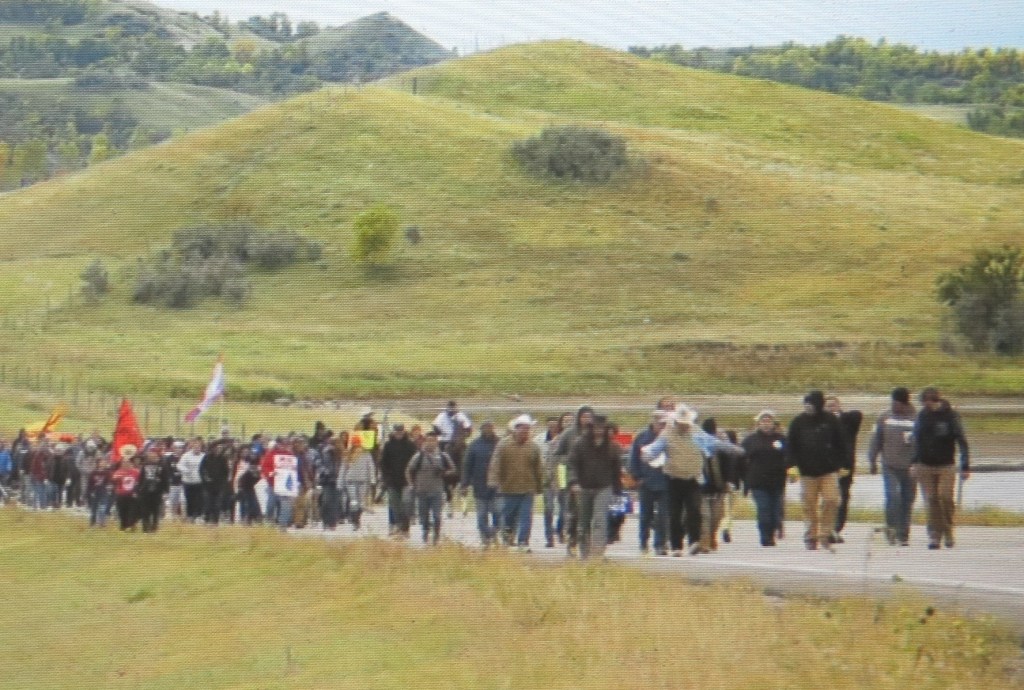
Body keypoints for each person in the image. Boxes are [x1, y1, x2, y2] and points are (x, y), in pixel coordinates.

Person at [642, 405, 745, 556]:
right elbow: (655, 449)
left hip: (693, 479)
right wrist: (648, 456)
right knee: (675, 513)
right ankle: (676, 546)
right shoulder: (667, 434)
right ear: (676, 422)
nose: (684, 426)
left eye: (686, 423)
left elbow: (713, 443)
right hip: (673, 479)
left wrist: (732, 448)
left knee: (694, 511)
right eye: (681, 423)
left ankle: (694, 542)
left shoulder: (696, 432)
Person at [787, 391, 847, 551]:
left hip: (828, 470)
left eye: (811, 404)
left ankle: (825, 534)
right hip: (807, 472)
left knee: (832, 499)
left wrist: (841, 463)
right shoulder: (798, 422)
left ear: (819, 405)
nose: (808, 407)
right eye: (805, 404)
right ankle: (810, 536)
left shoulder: (831, 420)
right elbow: (791, 446)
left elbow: (841, 443)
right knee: (809, 505)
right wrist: (791, 466)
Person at [912, 386, 969, 550]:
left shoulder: (951, 416)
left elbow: (961, 440)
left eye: (926, 402)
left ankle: (948, 529)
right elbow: (917, 440)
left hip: (946, 464)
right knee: (931, 500)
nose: (925, 406)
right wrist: (914, 462)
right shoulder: (922, 415)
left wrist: (965, 465)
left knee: (944, 497)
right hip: (924, 464)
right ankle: (934, 535)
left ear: (933, 400)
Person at [567, 415, 623, 560]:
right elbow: (571, 465)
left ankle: (598, 553)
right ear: (590, 428)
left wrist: (618, 491)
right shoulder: (579, 444)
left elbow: (616, 470)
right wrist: (573, 482)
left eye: (602, 428)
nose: (599, 431)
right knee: (583, 521)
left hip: (604, 487)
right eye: (596, 428)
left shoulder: (612, 447)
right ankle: (584, 552)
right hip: (583, 487)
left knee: (600, 520)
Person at [867, 388, 918, 546]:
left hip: (910, 467)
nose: (894, 406)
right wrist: (872, 460)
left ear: (904, 403)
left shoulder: (916, 418)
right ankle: (892, 529)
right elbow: (876, 439)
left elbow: (923, 442)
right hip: (889, 465)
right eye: (892, 402)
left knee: (907, 499)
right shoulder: (884, 417)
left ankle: (903, 534)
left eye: (897, 403)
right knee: (892, 497)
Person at [488, 415, 544, 551]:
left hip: (527, 489)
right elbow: (495, 464)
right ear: (516, 429)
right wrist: (493, 481)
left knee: (526, 517)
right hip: (508, 488)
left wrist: (540, 486)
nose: (525, 432)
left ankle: (523, 542)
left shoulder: (534, 447)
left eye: (527, 430)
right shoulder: (503, 445)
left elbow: (539, 468)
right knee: (508, 517)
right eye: (522, 429)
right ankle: (507, 538)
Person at [741, 411, 789, 547]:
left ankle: (772, 532)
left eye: (769, 421)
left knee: (776, 511)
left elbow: (790, 456)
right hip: (758, 482)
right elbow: (741, 459)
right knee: (764, 509)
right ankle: (765, 536)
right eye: (763, 421)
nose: (766, 424)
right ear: (758, 423)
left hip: (777, 481)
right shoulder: (750, 440)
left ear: (774, 423)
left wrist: (791, 470)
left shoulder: (781, 439)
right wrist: (743, 480)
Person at [551, 406, 594, 555]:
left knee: (590, 514)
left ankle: (586, 545)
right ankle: (572, 540)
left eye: (589, 416)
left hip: (592, 480)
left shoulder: (596, 434)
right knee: (574, 514)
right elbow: (556, 454)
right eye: (584, 416)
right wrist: (568, 462)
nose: (587, 420)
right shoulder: (569, 434)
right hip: (573, 479)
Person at [629, 410, 670, 555]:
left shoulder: (671, 437)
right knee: (645, 515)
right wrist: (637, 477)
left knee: (664, 515)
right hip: (646, 482)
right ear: (653, 421)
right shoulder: (642, 437)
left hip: (666, 482)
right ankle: (643, 542)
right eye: (659, 421)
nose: (662, 424)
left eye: (664, 422)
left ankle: (660, 544)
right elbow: (634, 458)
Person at [406, 431, 456, 545]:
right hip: (421, 490)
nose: (430, 443)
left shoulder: (443, 456)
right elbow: (409, 469)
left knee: (437, 515)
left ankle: (437, 534)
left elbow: (453, 469)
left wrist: (444, 473)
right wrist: (411, 484)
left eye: (433, 440)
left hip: (437, 491)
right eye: (428, 440)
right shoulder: (418, 456)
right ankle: (425, 531)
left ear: (437, 442)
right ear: (425, 441)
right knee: (423, 515)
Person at [825, 396, 863, 544]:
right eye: (828, 406)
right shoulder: (821, 424)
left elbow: (858, 415)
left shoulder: (847, 422)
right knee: (829, 499)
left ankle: (836, 528)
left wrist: (838, 416)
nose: (831, 408)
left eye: (833, 405)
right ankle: (827, 528)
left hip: (845, 467)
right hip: (827, 467)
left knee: (843, 497)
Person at [461, 421, 501, 547]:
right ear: (481, 429)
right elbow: (467, 466)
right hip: (479, 485)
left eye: (490, 427)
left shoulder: (500, 443)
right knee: (481, 514)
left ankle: (494, 533)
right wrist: (464, 484)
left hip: (497, 485)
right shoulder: (474, 445)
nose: (488, 430)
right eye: (485, 428)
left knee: (497, 512)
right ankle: (485, 537)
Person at [380, 424, 417, 538]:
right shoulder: (388, 445)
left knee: (406, 504)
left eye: (400, 432)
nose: (399, 434)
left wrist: (413, 478)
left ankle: (405, 528)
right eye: (397, 432)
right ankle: (398, 525)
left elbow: (415, 462)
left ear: (404, 432)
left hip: (407, 481)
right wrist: (385, 477)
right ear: (394, 432)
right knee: (395, 505)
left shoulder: (410, 445)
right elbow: (383, 463)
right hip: (392, 481)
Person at [341, 436, 376, 530]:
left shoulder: (366, 454)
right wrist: (340, 482)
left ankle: (358, 518)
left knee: (360, 503)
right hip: (350, 481)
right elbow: (343, 469)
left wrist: (372, 479)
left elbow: (371, 467)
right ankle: (354, 522)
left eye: (358, 443)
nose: (356, 445)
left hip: (362, 481)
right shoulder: (348, 454)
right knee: (353, 502)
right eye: (355, 443)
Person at [137, 448, 168, 533]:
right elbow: (141, 478)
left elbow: (165, 479)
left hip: (157, 491)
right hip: (145, 491)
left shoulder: (162, 466)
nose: (152, 456)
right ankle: (145, 527)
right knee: (145, 510)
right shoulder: (144, 465)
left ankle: (154, 527)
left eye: (154, 455)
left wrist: (166, 491)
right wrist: (139, 489)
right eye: (150, 455)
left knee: (155, 510)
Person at [111, 446, 141, 531]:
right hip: (121, 495)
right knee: (122, 512)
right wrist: (118, 478)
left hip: (132, 495)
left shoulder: (136, 472)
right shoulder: (119, 472)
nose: (125, 464)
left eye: (127, 463)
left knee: (132, 512)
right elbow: (113, 479)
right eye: (123, 463)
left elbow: (140, 482)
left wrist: (137, 491)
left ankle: (131, 525)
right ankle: (123, 526)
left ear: (131, 463)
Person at [178, 438, 205, 522]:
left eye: (199, 446)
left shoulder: (204, 456)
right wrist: (186, 470)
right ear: (192, 446)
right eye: (195, 446)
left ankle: (198, 516)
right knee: (189, 499)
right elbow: (179, 465)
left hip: (199, 481)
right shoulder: (186, 455)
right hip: (188, 482)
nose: (197, 448)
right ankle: (190, 516)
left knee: (199, 500)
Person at [85, 455, 113, 527]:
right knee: (94, 508)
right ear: (98, 463)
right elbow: (90, 484)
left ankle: (102, 522)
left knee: (103, 507)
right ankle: (92, 522)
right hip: (94, 492)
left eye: (104, 462)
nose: (103, 463)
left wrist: (109, 487)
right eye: (101, 462)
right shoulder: (93, 472)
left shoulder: (107, 472)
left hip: (104, 492)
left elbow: (109, 482)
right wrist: (89, 492)